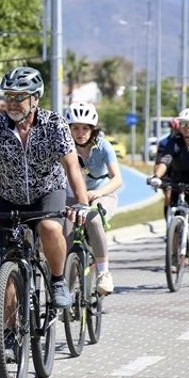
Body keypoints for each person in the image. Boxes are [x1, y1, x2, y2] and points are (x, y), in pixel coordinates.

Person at [0, 67, 89, 359]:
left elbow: (72, 166)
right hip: (11, 198)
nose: (12, 103)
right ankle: (10, 335)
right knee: (8, 267)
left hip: (48, 192)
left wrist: (82, 202)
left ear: (35, 99)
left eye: (19, 97)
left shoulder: (54, 125)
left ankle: (58, 280)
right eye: (8, 96)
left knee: (50, 228)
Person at [64, 102, 122, 293]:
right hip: (73, 196)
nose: (81, 132)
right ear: (69, 129)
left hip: (102, 194)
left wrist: (98, 193)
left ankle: (104, 273)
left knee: (94, 220)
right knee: (62, 232)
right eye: (76, 128)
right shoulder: (64, 147)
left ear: (93, 129)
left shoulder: (103, 146)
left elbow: (117, 179)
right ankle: (66, 290)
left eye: (85, 128)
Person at [148, 108, 189, 242]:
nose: (185, 128)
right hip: (179, 177)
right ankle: (174, 254)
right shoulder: (174, 141)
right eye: (182, 124)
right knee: (175, 211)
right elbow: (165, 160)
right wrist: (157, 177)